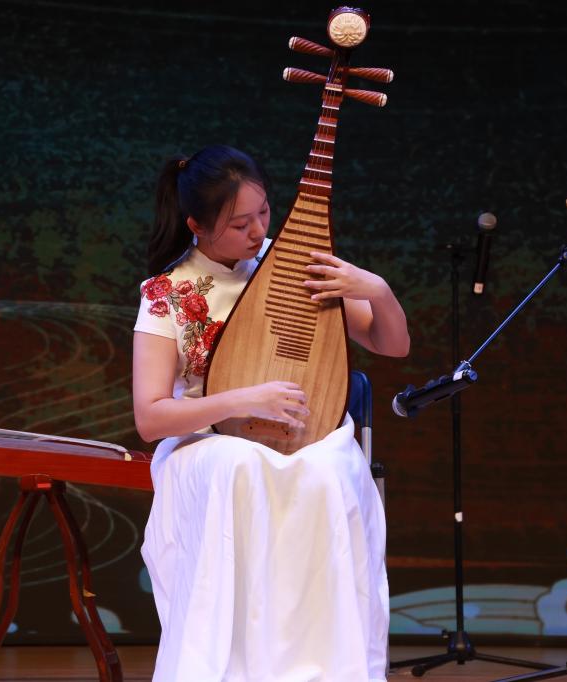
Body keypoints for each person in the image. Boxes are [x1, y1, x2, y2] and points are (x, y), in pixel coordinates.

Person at [133, 145, 409, 682]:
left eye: (263, 213)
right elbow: (150, 417)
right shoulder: (169, 294)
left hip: (303, 439)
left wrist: (376, 290)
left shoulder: (293, 267)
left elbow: (392, 345)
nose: (259, 231)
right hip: (206, 443)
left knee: (329, 468)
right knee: (240, 465)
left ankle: (326, 667)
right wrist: (243, 399)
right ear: (196, 225)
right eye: (240, 224)